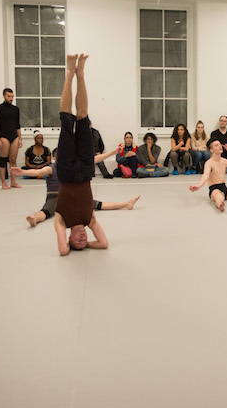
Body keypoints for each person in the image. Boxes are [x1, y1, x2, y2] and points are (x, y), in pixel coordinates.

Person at [50, 54, 109, 256]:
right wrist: (89, 245)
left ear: (69, 238)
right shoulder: (89, 220)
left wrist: (70, 246)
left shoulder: (61, 221)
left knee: (66, 119)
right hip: (85, 171)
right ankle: (81, 73)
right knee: (83, 118)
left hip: (66, 171)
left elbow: (63, 251)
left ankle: (69, 73)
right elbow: (103, 244)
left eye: (78, 241)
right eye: (85, 241)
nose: (84, 238)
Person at [11, 148, 138, 227]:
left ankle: (126, 204)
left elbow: (92, 160)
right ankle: (35, 220)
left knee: (98, 204)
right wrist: (23, 172)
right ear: (55, 158)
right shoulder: (51, 168)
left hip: (72, 197)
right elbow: (37, 173)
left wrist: (112, 152)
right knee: (45, 212)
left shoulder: (71, 166)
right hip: (55, 197)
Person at [0, 87, 22, 189]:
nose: (11, 98)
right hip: (4, 136)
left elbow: (18, 125)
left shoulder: (16, 109)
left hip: (14, 136)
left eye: (12, 96)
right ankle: (3, 182)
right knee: (3, 159)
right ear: (4, 96)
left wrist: (20, 139)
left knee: (13, 160)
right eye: (9, 96)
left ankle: (13, 182)